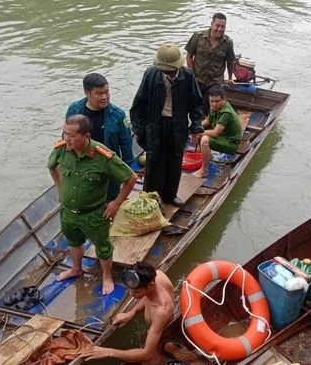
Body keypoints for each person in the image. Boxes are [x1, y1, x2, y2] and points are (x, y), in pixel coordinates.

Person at [47, 115, 138, 295]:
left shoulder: (101, 155)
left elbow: (130, 178)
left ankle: (106, 276)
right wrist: (60, 191)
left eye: (72, 135)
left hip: (94, 214)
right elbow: (51, 166)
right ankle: (76, 269)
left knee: (103, 247)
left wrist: (116, 203)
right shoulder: (62, 149)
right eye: (65, 133)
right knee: (73, 241)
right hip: (68, 212)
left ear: (86, 136)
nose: (66, 138)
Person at [130, 43, 204, 206]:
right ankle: (150, 200)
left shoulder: (187, 76)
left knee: (175, 160)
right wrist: (139, 129)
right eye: (166, 71)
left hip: (178, 125)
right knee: (154, 161)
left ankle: (170, 195)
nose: (169, 74)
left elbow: (196, 103)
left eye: (172, 71)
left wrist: (196, 127)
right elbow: (138, 105)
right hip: (155, 124)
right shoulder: (151, 75)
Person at [79, 262, 174, 364]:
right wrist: (131, 312)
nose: (131, 294)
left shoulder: (161, 311)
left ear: (150, 286)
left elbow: (147, 354)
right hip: (154, 328)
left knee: (150, 361)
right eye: (130, 290)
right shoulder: (157, 275)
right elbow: (148, 298)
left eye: (136, 292)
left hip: (162, 337)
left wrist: (109, 352)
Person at [66, 73, 134, 202]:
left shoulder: (118, 115)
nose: (104, 97)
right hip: (81, 164)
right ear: (87, 93)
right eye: (99, 93)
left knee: (109, 200)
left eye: (107, 92)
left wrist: (126, 174)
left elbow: (126, 144)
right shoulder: (74, 110)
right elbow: (67, 138)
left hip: (107, 166)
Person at [185, 13, 236, 114]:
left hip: (215, 82)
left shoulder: (228, 42)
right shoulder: (198, 36)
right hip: (197, 79)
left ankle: (208, 126)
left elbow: (230, 61)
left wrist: (230, 77)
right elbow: (189, 56)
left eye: (223, 27)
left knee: (211, 108)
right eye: (217, 26)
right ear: (212, 24)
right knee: (193, 105)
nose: (220, 29)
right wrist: (192, 75)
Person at [192, 86, 243, 178]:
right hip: (222, 137)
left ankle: (204, 170)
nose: (214, 104)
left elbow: (215, 133)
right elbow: (208, 121)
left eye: (217, 101)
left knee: (204, 139)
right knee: (199, 132)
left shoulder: (226, 113)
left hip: (230, 143)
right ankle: (203, 157)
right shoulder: (214, 108)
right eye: (211, 101)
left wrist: (199, 132)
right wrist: (195, 128)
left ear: (224, 100)